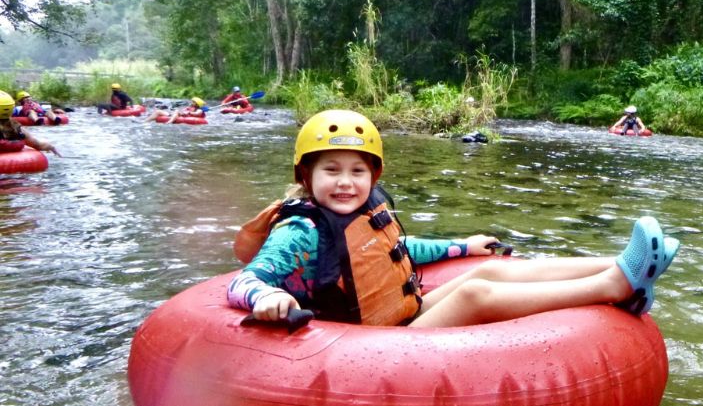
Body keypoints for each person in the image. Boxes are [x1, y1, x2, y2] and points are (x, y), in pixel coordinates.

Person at [228, 109, 680, 328]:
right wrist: (265, 298)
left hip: (402, 313)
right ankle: (614, 287)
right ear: (306, 176)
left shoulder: (366, 212)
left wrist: (463, 246)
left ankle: (617, 262)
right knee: (478, 294)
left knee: (486, 269)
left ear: (373, 175)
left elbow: (401, 251)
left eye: (357, 171)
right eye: (331, 170)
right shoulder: (299, 231)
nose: (345, 183)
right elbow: (244, 281)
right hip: (374, 343)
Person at [0, 91, 60, 155]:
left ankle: (51, 118)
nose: (27, 99)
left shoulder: (17, 127)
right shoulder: (18, 128)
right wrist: (52, 148)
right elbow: (38, 145)